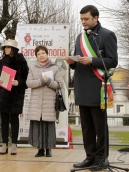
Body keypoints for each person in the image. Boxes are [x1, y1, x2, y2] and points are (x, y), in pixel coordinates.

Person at [65, 5, 118, 169]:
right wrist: (72, 63)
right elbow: (78, 64)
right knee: (86, 127)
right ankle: (90, 156)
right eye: (81, 19)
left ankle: (102, 158)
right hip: (81, 87)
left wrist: (92, 61)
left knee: (99, 126)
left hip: (97, 87)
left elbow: (112, 61)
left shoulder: (107, 35)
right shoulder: (80, 37)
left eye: (86, 19)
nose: (83, 22)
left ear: (96, 17)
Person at [26, 45, 64, 157]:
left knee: (48, 126)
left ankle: (49, 149)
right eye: (38, 54)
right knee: (38, 126)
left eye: (43, 53)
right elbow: (29, 83)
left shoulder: (55, 68)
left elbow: (60, 85)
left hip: (49, 102)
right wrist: (42, 81)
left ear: (47, 54)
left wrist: (49, 82)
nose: (41, 55)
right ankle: (40, 149)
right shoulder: (32, 68)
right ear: (36, 56)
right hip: (36, 103)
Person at [0, 39, 29, 155]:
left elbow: (26, 79)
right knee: (4, 120)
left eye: (8, 47)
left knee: (14, 119)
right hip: (3, 94)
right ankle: (4, 143)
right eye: (5, 47)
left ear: (13, 49)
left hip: (15, 95)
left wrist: (18, 82)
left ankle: (14, 144)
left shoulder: (21, 61)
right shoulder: (2, 61)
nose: (6, 49)